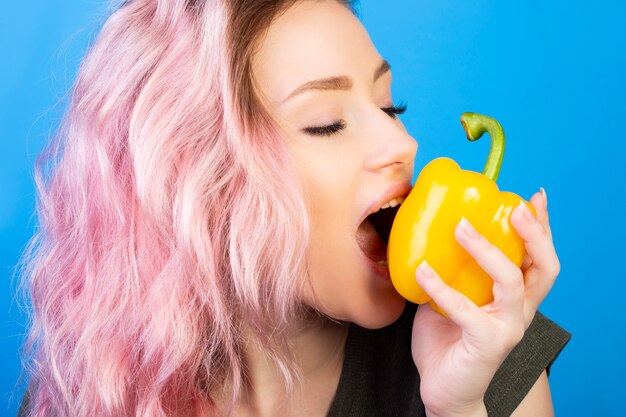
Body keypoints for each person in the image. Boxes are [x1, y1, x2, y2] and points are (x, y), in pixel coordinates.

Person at [16, 0, 570, 416]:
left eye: (388, 105)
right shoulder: (93, 381)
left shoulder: (492, 341)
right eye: (325, 122)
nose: (404, 144)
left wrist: (466, 407)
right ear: (199, 184)